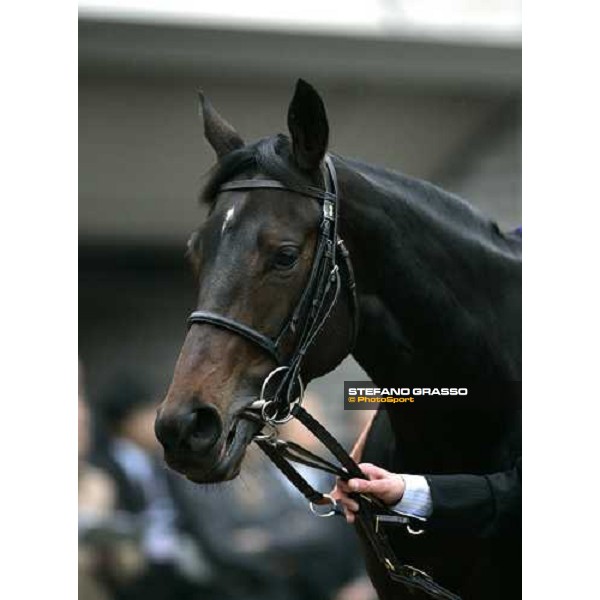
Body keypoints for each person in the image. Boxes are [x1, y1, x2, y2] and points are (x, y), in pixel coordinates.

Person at [92, 373, 211, 600]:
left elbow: (186, 514)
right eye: (150, 414)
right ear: (128, 421)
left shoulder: (161, 461)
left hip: (179, 555)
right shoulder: (104, 469)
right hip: (140, 567)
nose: (159, 422)